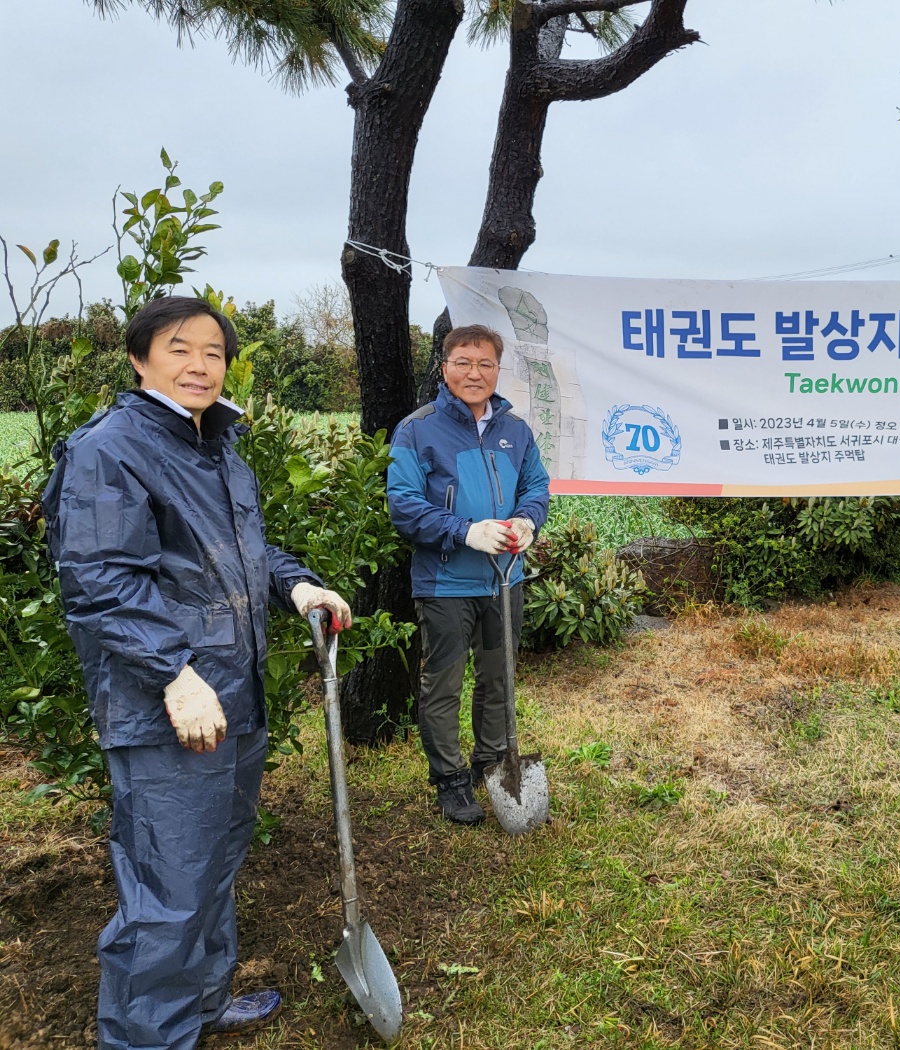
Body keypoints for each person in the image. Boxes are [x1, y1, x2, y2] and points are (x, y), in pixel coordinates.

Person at [47, 296, 353, 1049]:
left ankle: (201, 1004)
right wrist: (175, 676)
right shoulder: (110, 450)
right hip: (167, 707)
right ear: (138, 358)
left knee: (213, 865)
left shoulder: (215, 446)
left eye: (213, 352)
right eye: (180, 348)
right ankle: (149, 1036)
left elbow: (238, 557)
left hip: (232, 697)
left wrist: (296, 584)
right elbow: (101, 583)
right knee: (167, 888)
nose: (199, 364)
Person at [387, 323, 550, 824]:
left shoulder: (514, 430)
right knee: (444, 685)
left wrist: (528, 519)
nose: (474, 373)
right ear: (444, 367)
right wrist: (463, 531)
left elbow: (537, 484)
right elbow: (404, 505)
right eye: (463, 362)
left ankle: (492, 761)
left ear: (497, 371)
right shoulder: (418, 429)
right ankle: (450, 779)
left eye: (484, 364)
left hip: (505, 579)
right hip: (446, 584)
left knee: (498, 678)